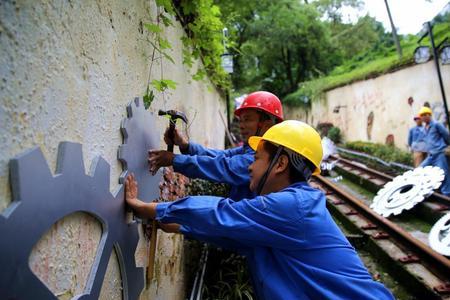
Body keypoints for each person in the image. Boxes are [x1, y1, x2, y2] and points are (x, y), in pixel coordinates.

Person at [126, 120, 394, 299]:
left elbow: (224, 214)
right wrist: (178, 225)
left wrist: (148, 208)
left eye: (256, 159)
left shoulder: (293, 206)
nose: (250, 167)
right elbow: (234, 235)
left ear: (280, 164)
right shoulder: (284, 214)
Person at [148, 91, 283, 200]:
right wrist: (185, 145)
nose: (241, 126)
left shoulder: (265, 156)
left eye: (247, 119)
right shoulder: (251, 148)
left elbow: (223, 166)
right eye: (240, 120)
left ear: (267, 125)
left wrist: (173, 159)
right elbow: (221, 156)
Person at [419, 106, 450, 195]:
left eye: (426, 114)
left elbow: (446, 135)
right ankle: (429, 189)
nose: (424, 117)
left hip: (439, 154)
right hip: (430, 155)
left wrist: (445, 146)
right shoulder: (425, 128)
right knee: (421, 170)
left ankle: (447, 195)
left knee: (444, 174)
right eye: (422, 115)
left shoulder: (436, 124)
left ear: (429, 115)